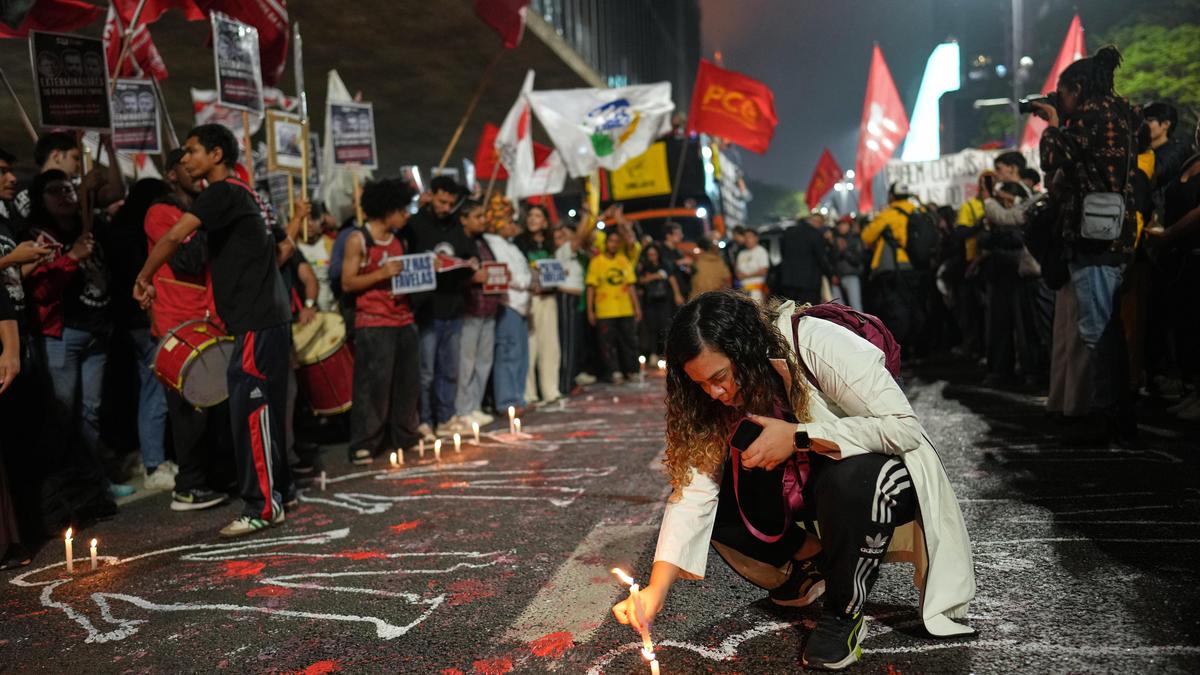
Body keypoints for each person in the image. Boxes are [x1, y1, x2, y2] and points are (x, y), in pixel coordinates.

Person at [613, 291, 974, 670]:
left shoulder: (817, 342)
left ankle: (843, 613)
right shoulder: (713, 397)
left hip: (875, 476)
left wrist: (797, 436)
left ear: (745, 350)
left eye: (719, 377)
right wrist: (656, 590)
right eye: (700, 384)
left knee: (851, 478)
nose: (714, 393)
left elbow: (904, 430)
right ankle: (809, 562)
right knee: (716, 500)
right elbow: (694, 490)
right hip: (806, 483)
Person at [134, 124, 293, 538]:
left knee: (251, 411)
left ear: (217, 154)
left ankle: (262, 504)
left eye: (191, 151)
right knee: (264, 410)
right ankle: (279, 491)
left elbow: (174, 235)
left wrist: (145, 276)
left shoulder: (222, 192)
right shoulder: (247, 194)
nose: (184, 159)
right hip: (266, 317)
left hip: (256, 320)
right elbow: (276, 249)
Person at [1032, 45, 1141, 444]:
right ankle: (1120, 417)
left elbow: (1050, 156)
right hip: (1118, 232)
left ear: (1077, 88)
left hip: (1093, 238)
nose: (1061, 101)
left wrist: (1055, 121)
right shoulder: (1126, 111)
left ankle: (1105, 421)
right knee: (1109, 328)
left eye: (1063, 93)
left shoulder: (1091, 115)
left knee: (1096, 331)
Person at [25, 170, 127, 499]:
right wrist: (70, 259)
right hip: (62, 334)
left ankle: (95, 482)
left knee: (90, 412)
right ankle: (63, 490)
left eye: (69, 189)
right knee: (62, 413)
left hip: (97, 332)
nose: (64, 196)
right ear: (40, 199)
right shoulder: (38, 237)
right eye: (54, 191)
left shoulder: (92, 226)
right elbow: (38, 289)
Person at [142, 148, 230, 512]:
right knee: (188, 409)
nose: (195, 170)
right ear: (171, 174)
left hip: (207, 321)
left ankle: (209, 479)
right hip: (178, 324)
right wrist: (206, 219)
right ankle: (188, 487)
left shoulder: (194, 216)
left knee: (212, 406)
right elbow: (189, 259)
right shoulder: (161, 214)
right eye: (185, 164)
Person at [340, 178, 421, 465]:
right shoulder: (358, 239)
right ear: (387, 209)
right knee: (373, 386)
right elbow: (347, 282)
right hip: (374, 322)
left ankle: (405, 434)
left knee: (407, 383)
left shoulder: (401, 238)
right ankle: (364, 442)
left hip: (404, 319)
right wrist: (380, 274)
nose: (406, 215)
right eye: (402, 210)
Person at [109, 179, 176, 491]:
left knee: (147, 387)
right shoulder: (136, 234)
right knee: (155, 389)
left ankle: (150, 456)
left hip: (129, 320)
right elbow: (144, 279)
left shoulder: (120, 230)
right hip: (143, 320)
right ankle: (153, 462)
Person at [405, 176, 478, 438]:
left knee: (449, 369)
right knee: (426, 372)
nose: (446, 208)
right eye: (441, 201)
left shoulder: (455, 226)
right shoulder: (414, 225)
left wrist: (471, 263)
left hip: (453, 307)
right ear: (431, 195)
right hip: (427, 309)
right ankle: (424, 420)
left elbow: (472, 254)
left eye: (451, 203)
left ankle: (446, 418)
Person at [861, 183, 923, 352]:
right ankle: (918, 348)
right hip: (916, 266)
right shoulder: (918, 211)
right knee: (915, 306)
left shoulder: (888, 214)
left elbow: (867, 236)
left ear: (892, 196)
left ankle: (898, 351)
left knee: (896, 311)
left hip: (894, 268)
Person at [484, 208, 533, 415]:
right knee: (507, 353)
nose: (513, 225)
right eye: (508, 221)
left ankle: (518, 397)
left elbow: (523, 271)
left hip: (523, 304)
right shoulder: (492, 243)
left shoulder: (511, 245)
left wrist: (529, 280)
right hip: (509, 303)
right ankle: (507, 401)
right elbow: (506, 274)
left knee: (521, 354)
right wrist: (524, 282)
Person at [455, 199, 499, 428]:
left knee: (484, 361)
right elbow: (453, 276)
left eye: (483, 216)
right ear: (463, 219)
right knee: (466, 362)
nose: (483, 221)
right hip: (469, 309)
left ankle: (475, 405)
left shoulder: (483, 242)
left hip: (488, 309)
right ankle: (463, 409)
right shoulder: (460, 243)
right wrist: (472, 279)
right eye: (477, 217)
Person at [515, 205, 562, 406]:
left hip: (549, 299)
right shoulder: (519, 242)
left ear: (545, 221)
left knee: (550, 345)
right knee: (530, 345)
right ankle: (529, 393)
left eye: (538, 215)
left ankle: (551, 390)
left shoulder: (552, 244)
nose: (533, 219)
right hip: (529, 299)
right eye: (530, 215)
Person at [587, 228, 641, 383]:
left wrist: (637, 307)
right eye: (611, 241)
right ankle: (614, 371)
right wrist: (590, 310)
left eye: (617, 241)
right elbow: (591, 287)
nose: (614, 244)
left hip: (625, 309)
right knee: (607, 344)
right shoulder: (597, 262)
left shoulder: (624, 260)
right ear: (605, 243)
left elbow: (631, 286)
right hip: (605, 310)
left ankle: (632, 370)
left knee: (629, 341)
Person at [554, 222, 593, 394]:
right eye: (559, 236)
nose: (563, 237)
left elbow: (586, 240)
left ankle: (570, 379)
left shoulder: (575, 255)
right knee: (568, 343)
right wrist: (592, 218)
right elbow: (580, 237)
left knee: (573, 342)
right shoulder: (563, 251)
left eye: (564, 234)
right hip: (566, 298)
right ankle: (566, 384)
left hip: (574, 300)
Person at [636, 243, 681, 362]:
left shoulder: (664, 264)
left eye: (654, 254)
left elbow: (672, 279)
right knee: (651, 328)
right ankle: (653, 353)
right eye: (650, 254)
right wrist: (656, 276)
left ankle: (666, 354)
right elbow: (640, 280)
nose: (652, 256)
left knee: (665, 326)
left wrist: (677, 294)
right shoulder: (644, 266)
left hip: (664, 300)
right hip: (650, 301)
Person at [777, 216, 832, 305]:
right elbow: (821, 258)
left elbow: (783, 252)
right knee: (808, 312)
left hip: (789, 280)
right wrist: (830, 274)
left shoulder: (788, 232)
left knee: (791, 312)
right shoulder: (815, 233)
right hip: (809, 282)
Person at [830, 217, 865, 311]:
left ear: (849, 226)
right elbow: (832, 260)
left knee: (855, 305)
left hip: (851, 275)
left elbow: (858, 260)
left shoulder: (855, 239)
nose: (841, 227)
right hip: (838, 278)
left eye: (844, 224)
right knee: (838, 307)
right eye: (839, 224)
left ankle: (860, 325)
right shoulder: (835, 239)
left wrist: (844, 250)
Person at [735, 228, 770, 303]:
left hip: (757, 292)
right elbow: (738, 273)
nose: (747, 239)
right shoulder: (741, 254)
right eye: (745, 237)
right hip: (743, 291)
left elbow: (763, 271)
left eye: (750, 237)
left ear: (756, 238)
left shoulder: (761, 251)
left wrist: (746, 275)